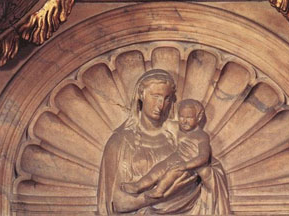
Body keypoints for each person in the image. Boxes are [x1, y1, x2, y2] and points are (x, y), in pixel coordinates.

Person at [97, 69, 230, 214]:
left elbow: (211, 176)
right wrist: (161, 196)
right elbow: (117, 204)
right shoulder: (120, 142)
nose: (161, 105)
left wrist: (198, 171)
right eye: (155, 96)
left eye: (167, 98)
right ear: (141, 95)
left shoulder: (180, 135)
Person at [120, 99, 212, 199]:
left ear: (198, 117)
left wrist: (186, 165)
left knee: (171, 173)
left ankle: (159, 190)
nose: (184, 121)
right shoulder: (179, 129)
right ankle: (138, 186)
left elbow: (204, 157)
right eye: (181, 116)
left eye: (189, 117)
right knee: (157, 169)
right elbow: (163, 125)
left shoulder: (202, 136)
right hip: (176, 158)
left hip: (189, 166)